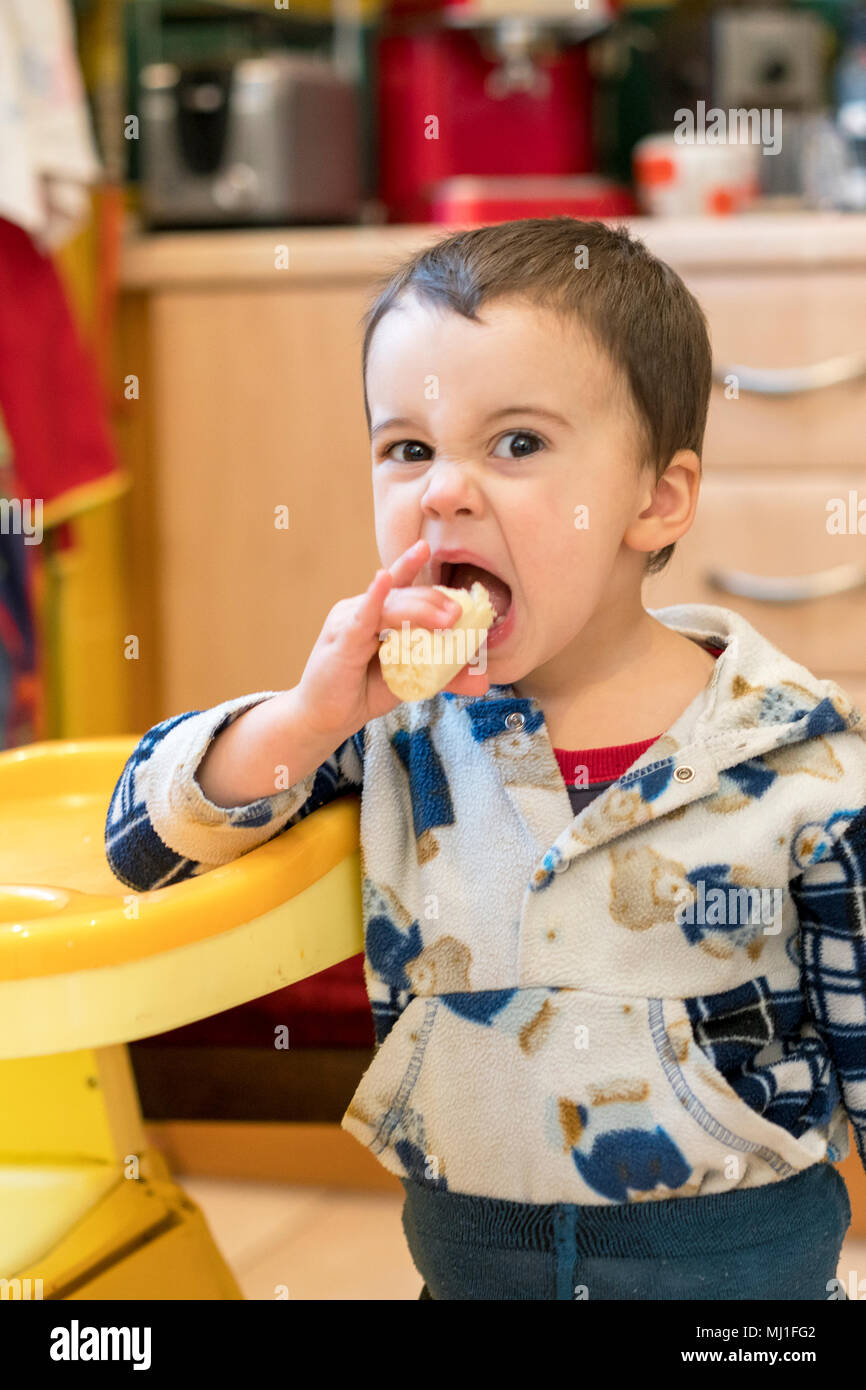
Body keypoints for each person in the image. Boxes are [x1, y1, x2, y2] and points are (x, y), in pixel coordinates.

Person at [105, 218, 864, 1300]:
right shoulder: (384, 732)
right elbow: (143, 846)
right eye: (406, 447)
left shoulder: (805, 770)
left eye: (515, 443)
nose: (441, 491)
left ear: (656, 500)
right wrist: (308, 716)